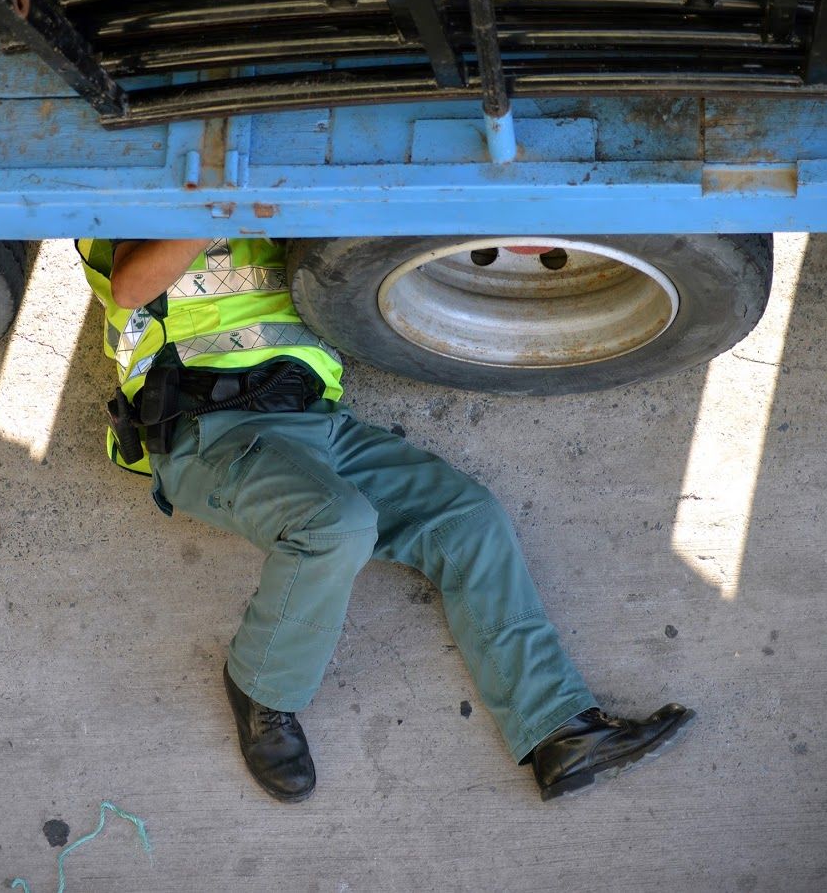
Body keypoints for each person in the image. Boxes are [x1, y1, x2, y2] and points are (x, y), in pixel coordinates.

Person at [78, 236, 693, 802]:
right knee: (334, 525)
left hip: (316, 425)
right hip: (203, 430)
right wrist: (225, 194)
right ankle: (262, 692)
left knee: (466, 518)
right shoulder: (164, 181)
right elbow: (131, 286)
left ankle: (560, 729)